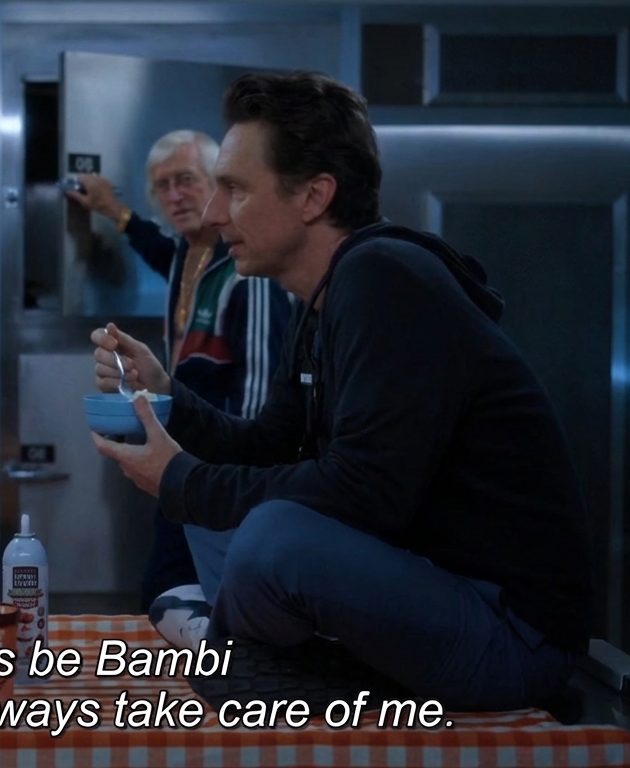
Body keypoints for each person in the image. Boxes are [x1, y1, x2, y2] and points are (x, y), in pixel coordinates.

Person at [89, 72, 594, 713]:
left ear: (314, 195)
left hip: (508, 636)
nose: (215, 214)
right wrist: (169, 395)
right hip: (429, 595)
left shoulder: (385, 278)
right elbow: (267, 446)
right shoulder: (324, 299)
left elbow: (365, 493)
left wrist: (181, 481)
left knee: (271, 534)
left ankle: (261, 664)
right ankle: (269, 657)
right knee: (214, 512)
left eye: (236, 189)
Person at [65, 130, 292, 624]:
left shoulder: (246, 271)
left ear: (221, 186)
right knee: (169, 594)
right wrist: (110, 210)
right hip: (181, 458)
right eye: (162, 186)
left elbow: (259, 408)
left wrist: (233, 488)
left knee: (186, 596)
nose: (175, 196)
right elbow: (154, 244)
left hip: (222, 478)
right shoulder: (187, 256)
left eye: (187, 180)